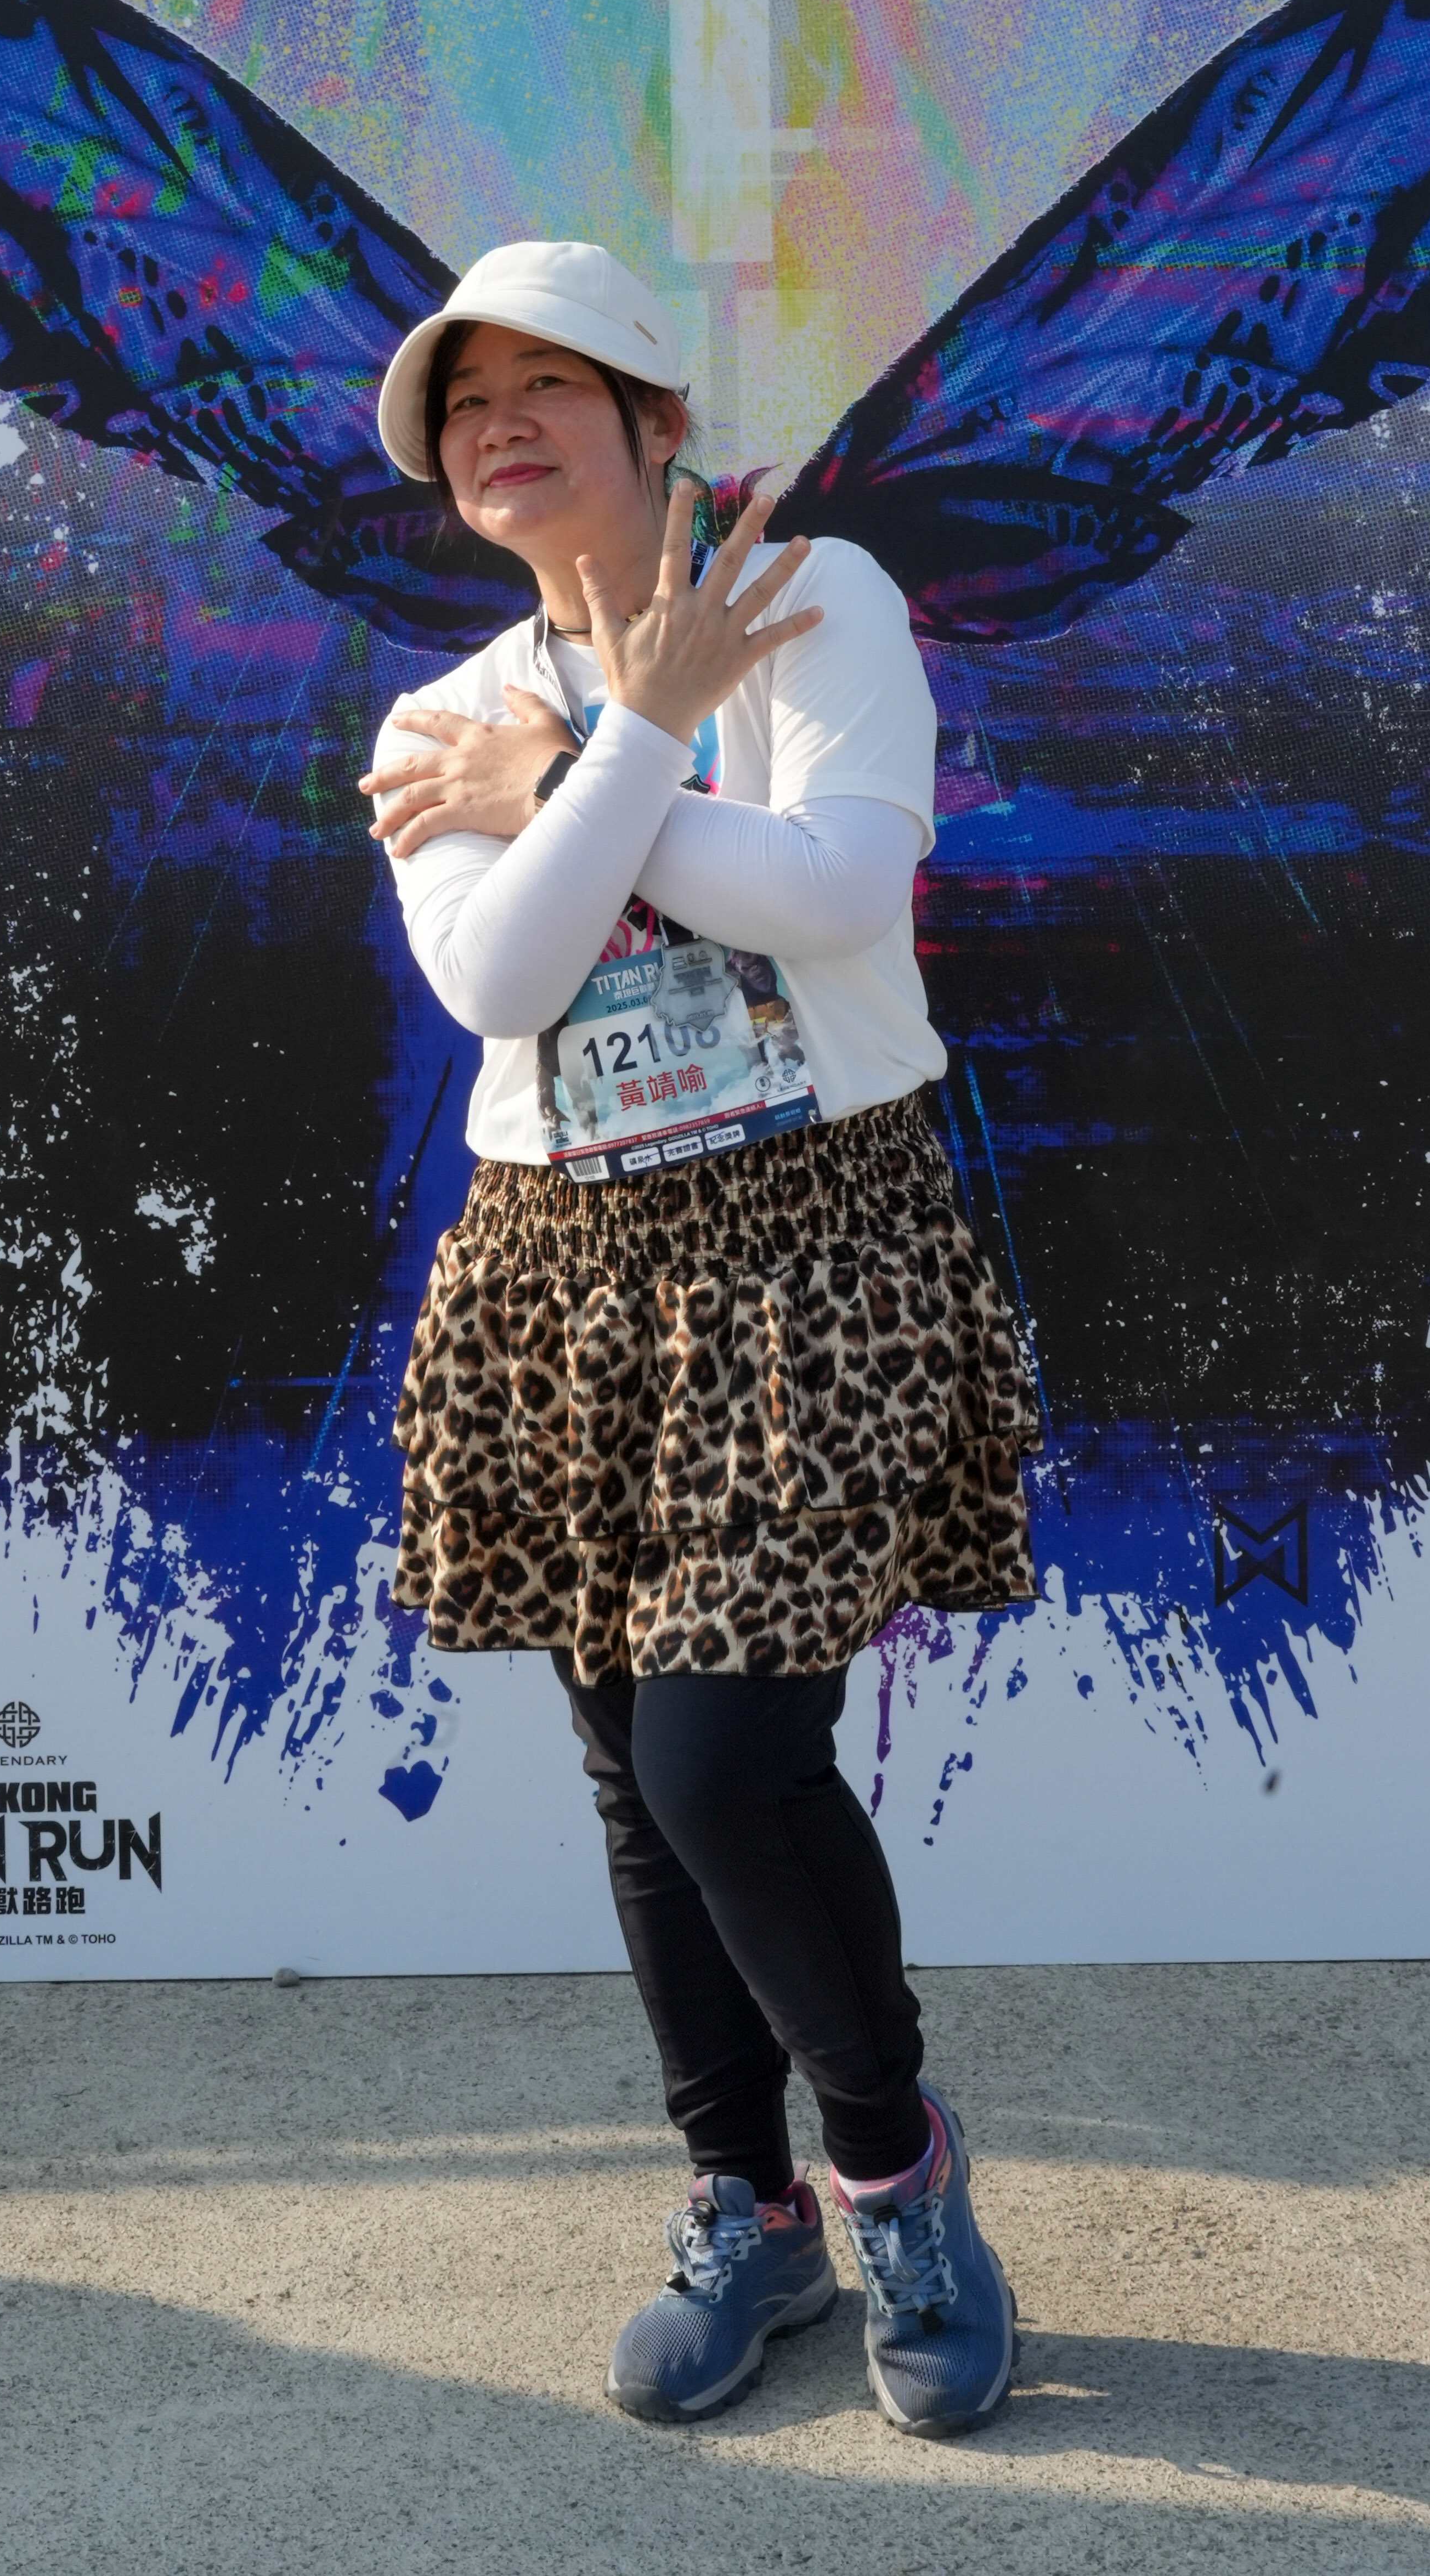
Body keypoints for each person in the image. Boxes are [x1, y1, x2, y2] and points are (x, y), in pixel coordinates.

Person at [360, 239, 1039, 2437]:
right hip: (554, 1269)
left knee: (721, 1762)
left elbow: (837, 890)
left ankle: (895, 2177)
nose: (499, 427)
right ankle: (744, 2209)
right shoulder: (438, 717)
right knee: (630, 1785)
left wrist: (580, 779)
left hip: (811, 1249)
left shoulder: (816, 600)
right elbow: (502, 979)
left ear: (659, 421)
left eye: (548, 385)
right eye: (465, 405)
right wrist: (634, 746)